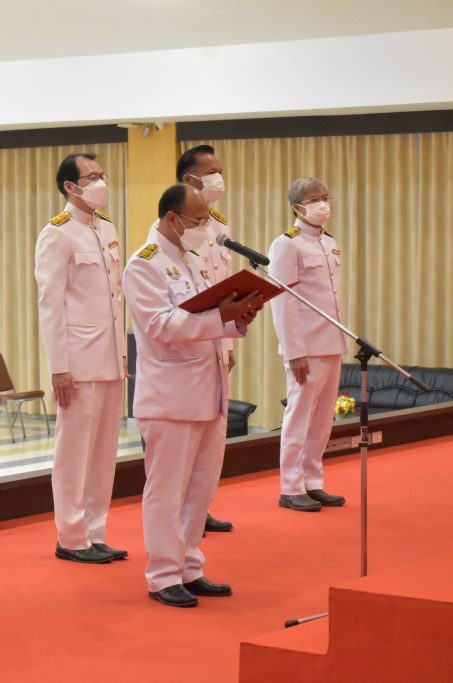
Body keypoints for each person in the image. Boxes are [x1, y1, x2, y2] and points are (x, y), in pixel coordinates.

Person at [123, 184, 261, 608]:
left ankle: (189, 566)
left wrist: (238, 319)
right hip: (170, 396)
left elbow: (207, 318)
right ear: (171, 219)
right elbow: (162, 327)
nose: (206, 228)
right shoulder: (143, 265)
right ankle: (163, 575)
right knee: (167, 490)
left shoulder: (192, 258)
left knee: (200, 488)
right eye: (199, 220)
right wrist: (219, 315)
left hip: (209, 390)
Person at [34, 153, 129, 564]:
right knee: (74, 451)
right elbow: (50, 303)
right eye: (91, 177)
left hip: (110, 357)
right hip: (78, 360)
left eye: (102, 175)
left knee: (105, 450)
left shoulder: (105, 227)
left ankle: (95, 531)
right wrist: (59, 366)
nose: (100, 182)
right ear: (71, 187)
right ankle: (71, 536)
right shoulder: (57, 233)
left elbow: (115, 297)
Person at [268, 177, 347, 512]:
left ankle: (313, 481)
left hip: (332, 341)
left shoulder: (328, 242)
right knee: (299, 416)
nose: (322, 204)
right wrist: (294, 351)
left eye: (325, 197)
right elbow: (282, 302)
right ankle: (290, 485)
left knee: (322, 419)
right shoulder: (287, 244)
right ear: (297, 207)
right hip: (306, 348)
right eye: (315, 199)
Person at [177, 145, 235, 534]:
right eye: (209, 172)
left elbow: (224, 289)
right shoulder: (178, 226)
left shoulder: (220, 225)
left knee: (215, 437)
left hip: (218, 342)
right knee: (188, 440)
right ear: (189, 180)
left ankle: (202, 506)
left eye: (219, 170)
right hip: (188, 348)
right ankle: (183, 508)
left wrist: (227, 343)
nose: (218, 178)